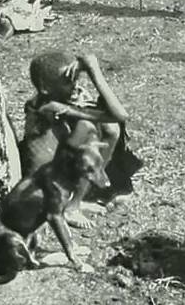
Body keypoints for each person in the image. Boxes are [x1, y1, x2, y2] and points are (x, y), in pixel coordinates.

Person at [18, 50, 141, 228]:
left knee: (110, 130)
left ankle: (76, 199)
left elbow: (118, 118)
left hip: (61, 168)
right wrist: (94, 70)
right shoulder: (49, 106)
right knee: (88, 129)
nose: (75, 86)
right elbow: (120, 115)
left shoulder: (69, 97)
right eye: (68, 81)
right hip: (43, 181)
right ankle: (70, 208)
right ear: (46, 87)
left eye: (76, 78)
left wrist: (91, 70)